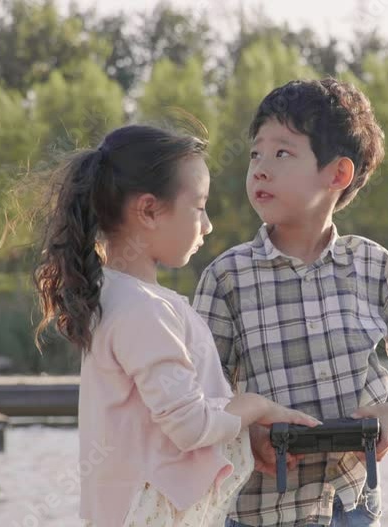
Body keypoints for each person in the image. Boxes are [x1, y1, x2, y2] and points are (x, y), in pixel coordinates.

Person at [193, 79, 388, 527]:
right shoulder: (227, 277)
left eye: (282, 153)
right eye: (255, 154)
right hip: (260, 512)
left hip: (351, 508)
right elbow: (201, 398)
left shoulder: (372, 265)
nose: (260, 169)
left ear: (337, 174)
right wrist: (249, 434)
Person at [32, 124, 320, 527]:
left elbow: (160, 426)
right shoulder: (142, 310)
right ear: (149, 211)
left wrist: (245, 435)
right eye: (199, 207)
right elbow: (190, 425)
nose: (208, 225)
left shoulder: (116, 297)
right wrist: (259, 406)